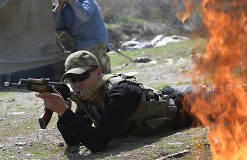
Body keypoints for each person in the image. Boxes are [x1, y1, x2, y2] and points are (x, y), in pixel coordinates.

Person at [36, 50, 197, 153]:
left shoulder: (119, 93)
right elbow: (75, 140)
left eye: (82, 77)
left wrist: (64, 111)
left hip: (190, 101)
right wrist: (63, 111)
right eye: (72, 79)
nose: (77, 84)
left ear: (99, 72)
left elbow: (97, 143)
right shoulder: (88, 97)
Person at [53, 0, 112, 74]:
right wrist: (59, 6)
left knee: (88, 70)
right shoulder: (63, 8)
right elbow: (55, 27)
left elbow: (84, 17)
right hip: (78, 43)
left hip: (94, 41)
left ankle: (103, 61)